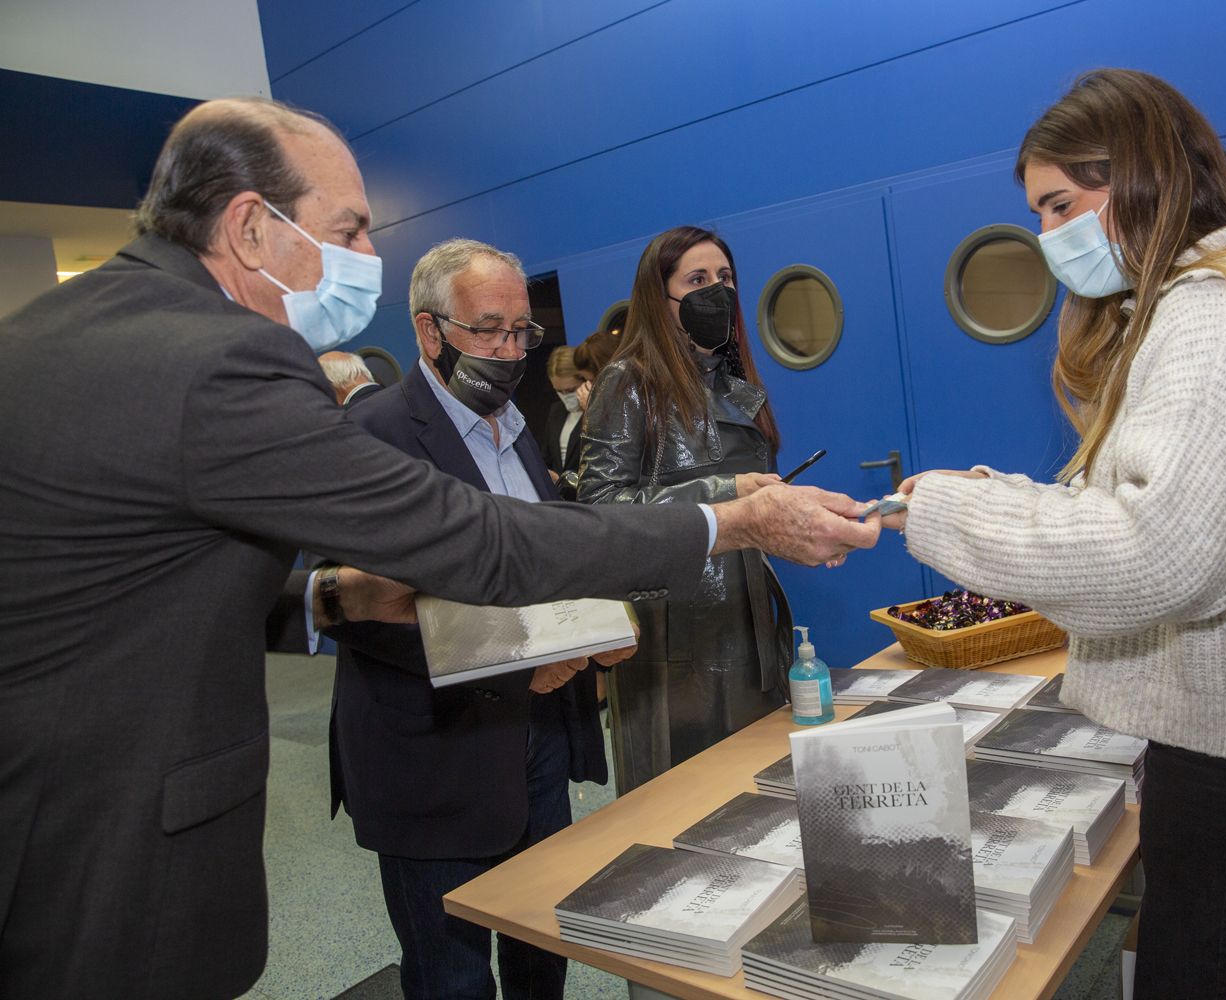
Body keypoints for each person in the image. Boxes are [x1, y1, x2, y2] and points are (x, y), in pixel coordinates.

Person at [0, 97, 878, 1000]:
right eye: (347, 229)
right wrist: (728, 522)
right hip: (99, 838)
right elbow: (483, 543)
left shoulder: (67, 329)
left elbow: (151, 569)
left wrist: (328, 598)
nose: (367, 260)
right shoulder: (219, 358)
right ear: (251, 227)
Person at [878, 69, 1226, 999]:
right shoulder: (1225, 292)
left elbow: (1162, 553)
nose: (1048, 237)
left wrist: (947, 515)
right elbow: (1143, 498)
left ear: (1146, 174)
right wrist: (978, 494)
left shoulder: (1213, 311)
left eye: (1061, 204)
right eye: (1037, 214)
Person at [326, 239, 628, 1000]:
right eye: (488, 329)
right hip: (433, 753)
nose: (509, 350)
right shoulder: (371, 440)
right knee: (452, 975)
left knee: (540, 949)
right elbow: (361, 610)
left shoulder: (517, 428)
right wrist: (523, 659)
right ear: (430, 333)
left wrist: (596, 625)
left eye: (522, 332)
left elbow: (542, 557)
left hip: (537, 744)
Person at [578, 225, 789, 794]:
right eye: (696, 280)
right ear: (659, 295)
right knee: (684, 803)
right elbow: (599, 509)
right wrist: (727, 494)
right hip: (670, 634)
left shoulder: (737, 383)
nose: (715, 291)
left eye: (725, 279)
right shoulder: (629, 382)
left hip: (750, 623)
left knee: (759, 793)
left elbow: (754, 492)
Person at [541, 344, 584, 485]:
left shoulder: (600, 413)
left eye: (571, 390)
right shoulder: (556, 411)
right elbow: (546, 457)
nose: (566, 396)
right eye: (560, 391)